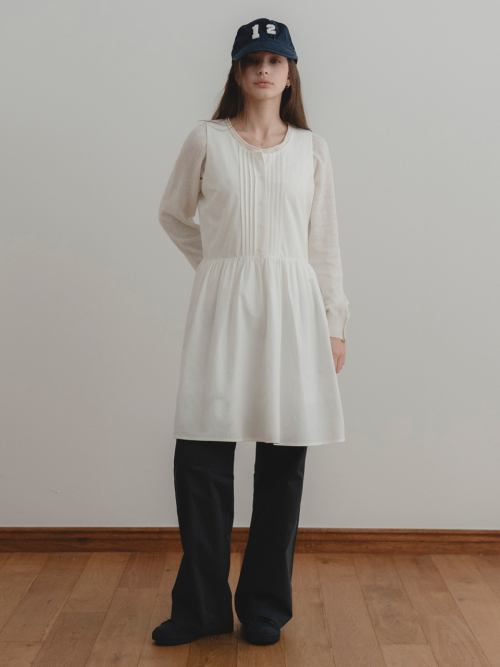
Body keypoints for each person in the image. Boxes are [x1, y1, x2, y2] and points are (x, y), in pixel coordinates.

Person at [152, 17, 350, 647]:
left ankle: (264, 605)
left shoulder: (312, 150)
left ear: (290, 74)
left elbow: (324, 245)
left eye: (275, 60)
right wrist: (219, 266)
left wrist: (334, 323)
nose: (264, 70)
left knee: (283, 460)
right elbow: (173, 214)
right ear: (238, 72)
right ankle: (201, 608)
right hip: (223, 311)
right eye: (253, 60)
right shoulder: (206, 140)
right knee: (202, 453)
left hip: (294, 314)